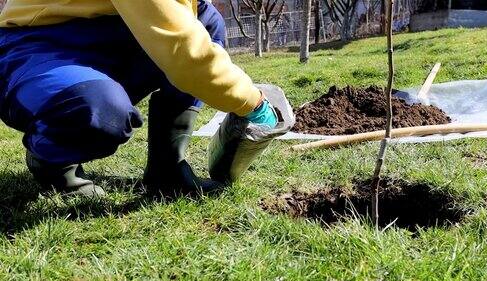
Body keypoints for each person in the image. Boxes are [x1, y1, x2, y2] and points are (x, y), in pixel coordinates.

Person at [0, 0, 289, 198]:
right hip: (36, 46)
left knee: (204, 19)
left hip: (111, 34)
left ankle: (167, 168)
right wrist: (254, 102)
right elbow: (183, 51)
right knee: (96, 112)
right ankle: (51, 161)